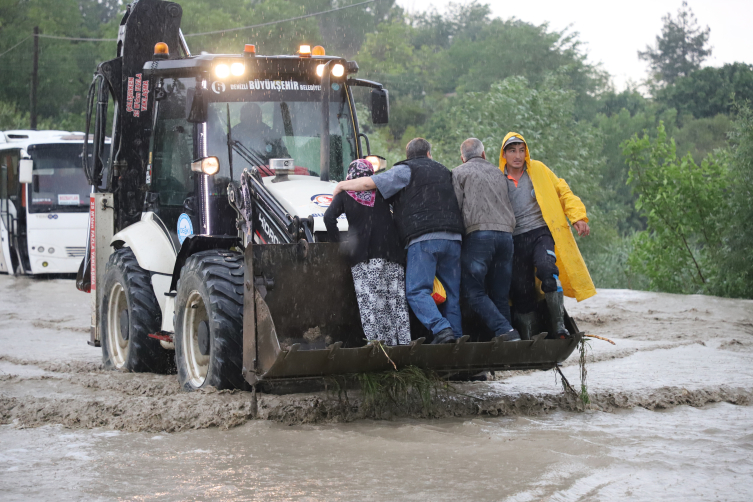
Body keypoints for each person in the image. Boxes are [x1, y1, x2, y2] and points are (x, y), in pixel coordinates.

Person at [333, 138, 465, 344]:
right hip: (454, 237)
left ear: (408, 156)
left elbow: (370, 183)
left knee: (416, 291)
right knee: (452, 294)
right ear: (429, 154)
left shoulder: (405, 170)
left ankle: (442, 329)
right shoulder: (444, 170)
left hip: (424, 238)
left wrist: (342, 185)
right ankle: (457, 346)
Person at [499, 132, 596, 340]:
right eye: (512, 151)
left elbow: (564, 192)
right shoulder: (497, 178)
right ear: (504, 154)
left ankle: (559, 326)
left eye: (521, 150)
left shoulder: (539, 170)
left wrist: (578, 217)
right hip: (514, 238)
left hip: (540, 232)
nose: (517, 155)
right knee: (520, 290)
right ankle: (530, 337)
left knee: (547, 269)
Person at [324, 159, 411, 346]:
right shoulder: (384, 191)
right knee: (394, 302)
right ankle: (403, 346)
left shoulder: (345, 194)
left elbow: (328, 217)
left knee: (370, 303)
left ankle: (379, 348)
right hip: (392, 254)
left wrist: (339, 245)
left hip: (364, 255)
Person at [452, 138, 520, 341]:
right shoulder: (499, 173)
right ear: (484, 154)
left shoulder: (458, 172)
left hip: (479, 235)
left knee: (472, 290)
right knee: (499, 294)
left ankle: (505, 331)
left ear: (462, 158)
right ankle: (509, 346)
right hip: (506, 237)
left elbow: (455, 206)